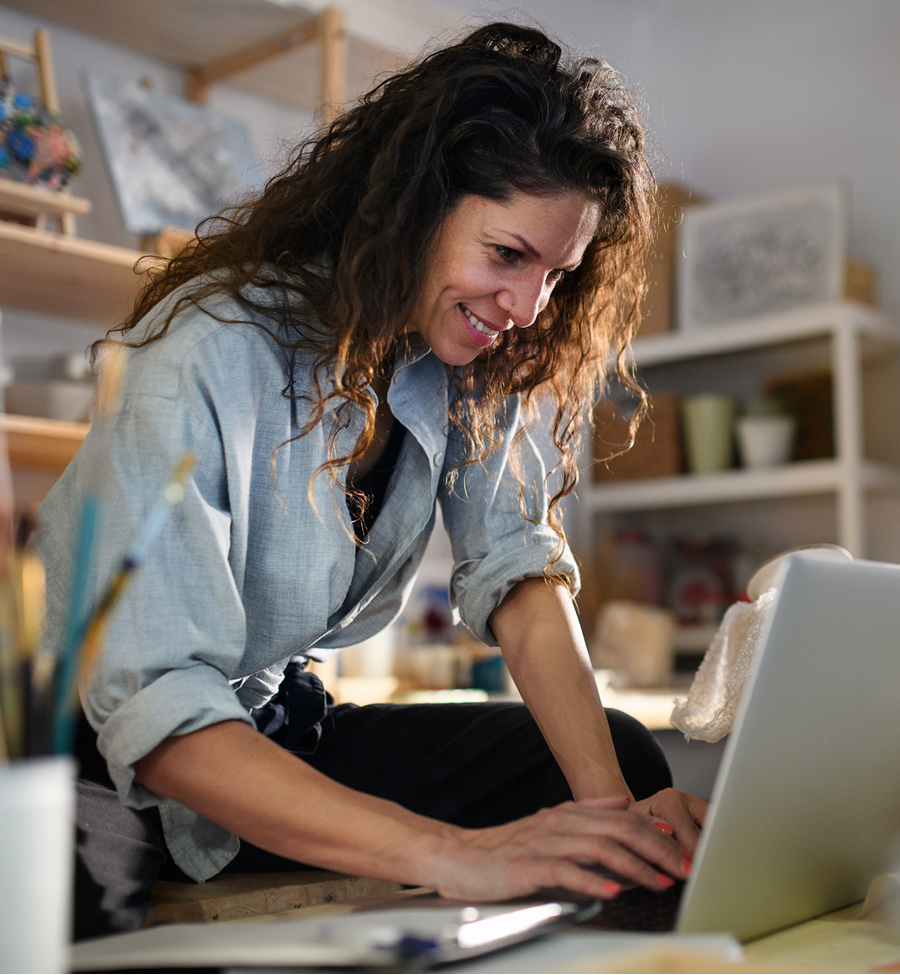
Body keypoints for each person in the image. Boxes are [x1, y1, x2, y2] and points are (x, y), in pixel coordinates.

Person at [38, 23, 707, 940]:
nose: (528, 309)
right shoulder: (210, 346)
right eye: (508, 256)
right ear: (416, 208)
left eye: (557, 275)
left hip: (268, 731)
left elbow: (518, 576)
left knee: (619, 762)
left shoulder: (467, 358)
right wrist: (448, 850)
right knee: (72, 908)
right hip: (86, 750)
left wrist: (614, 818)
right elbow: (157, 706)